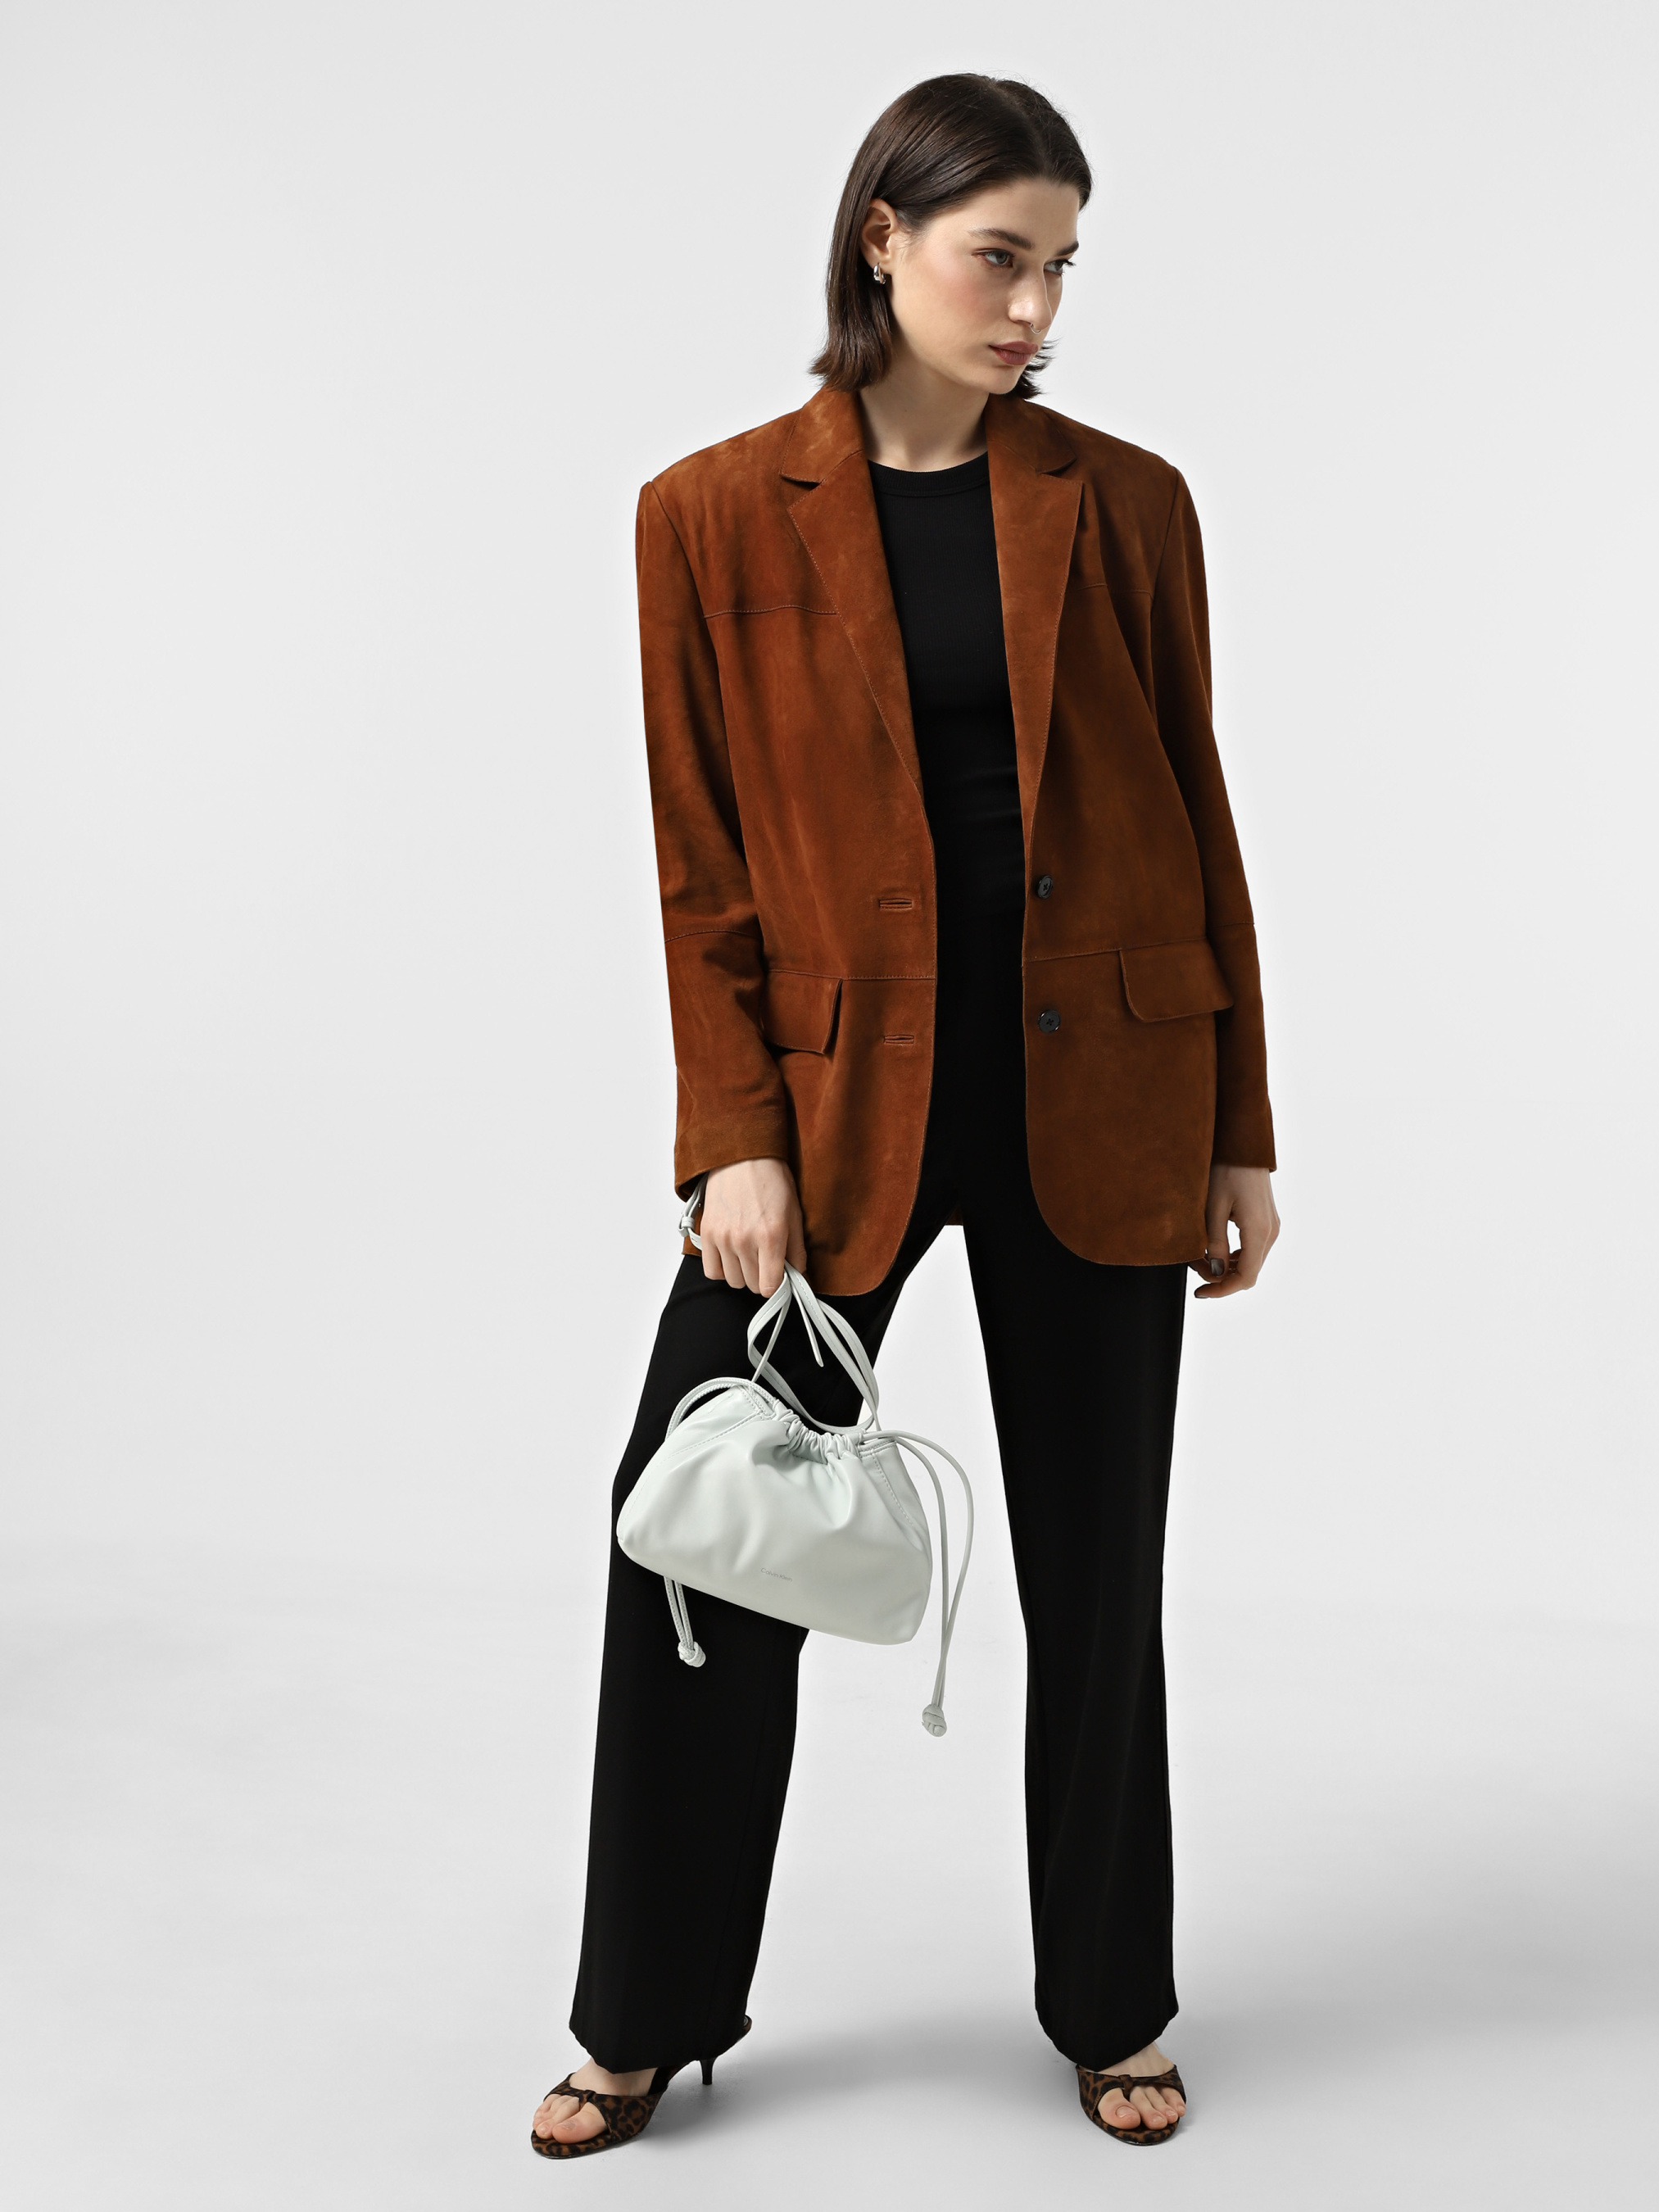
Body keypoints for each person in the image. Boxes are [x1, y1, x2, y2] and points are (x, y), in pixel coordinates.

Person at [531, 71, 1279, 2160]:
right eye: (995, 258)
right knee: (694, 1550)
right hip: (830, 1110)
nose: (1032, 306)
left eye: (1060, 268)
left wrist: (1236, 1122)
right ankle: (642, 2015)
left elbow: (1193, 810)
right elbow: (696, 864)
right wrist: (731, 1136)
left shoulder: (1124, 504)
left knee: (1097, 1582)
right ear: (882, 239)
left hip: (1101, 1091)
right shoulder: (707, 512)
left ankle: (1110, 2003)